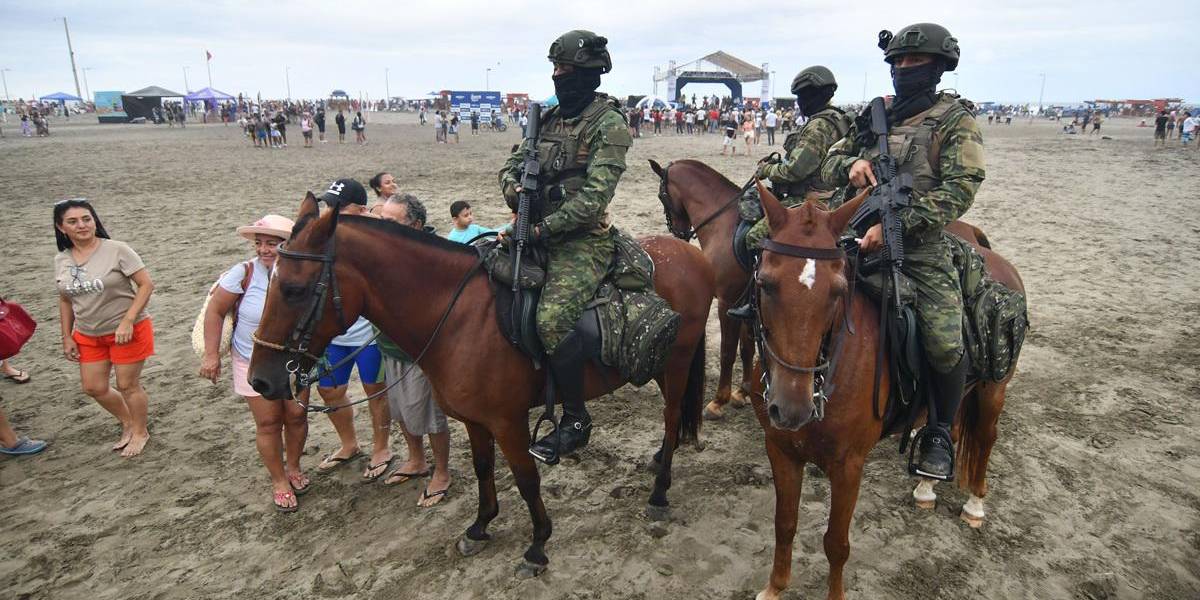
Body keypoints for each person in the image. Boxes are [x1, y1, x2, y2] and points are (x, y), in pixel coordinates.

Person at [820, 23, 984, 481]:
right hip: (853, 233)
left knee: (944, 337)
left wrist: (897, 227)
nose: (904, 70)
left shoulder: (956, 121)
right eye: (898, 63)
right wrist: (850, 164)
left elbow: (960, 190)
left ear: (938, 67)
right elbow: (829, 162)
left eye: (915, 63)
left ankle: (936, 431)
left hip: (920, 245)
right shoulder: (874, 117)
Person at [498, 29, 631, 464]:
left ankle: (575, 418)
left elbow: (595, 199)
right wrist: (517, 191)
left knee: (553, 318)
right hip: (530, 226)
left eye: (566, 70)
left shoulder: (608, 124)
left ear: (589, 75)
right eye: (555, 69)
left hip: (581, 241)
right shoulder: (546, 119)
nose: (558, 76)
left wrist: (541, 230)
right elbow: (511, 165)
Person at [200, 214, 310, 512]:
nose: (263, 249)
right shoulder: (243, 272)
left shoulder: (303, 273)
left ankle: (294, 467)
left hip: (293, 360)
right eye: (260, 243)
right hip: (252, 360)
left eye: (272, 243)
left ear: (288, 245)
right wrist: (211, 355)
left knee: (297, 417)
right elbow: (215, 312)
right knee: (268, 422)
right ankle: (278, 480)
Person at [728, 66, 853, 320]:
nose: (800, 102)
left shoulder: (819, 125)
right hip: (831, 196)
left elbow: (796, 169)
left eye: (803, 96)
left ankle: (754, 302)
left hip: (808, 200)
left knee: (752, 237)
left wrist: (767, 169)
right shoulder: (839, 119)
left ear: (818, 95)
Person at [54, 198, 155, 458]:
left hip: (127, 330)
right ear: (61, 227)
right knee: (93, 387)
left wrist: (128, 320)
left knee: (127, 385)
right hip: (87, 333)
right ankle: (128, 421)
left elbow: (146, 285)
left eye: (87, 219)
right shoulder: (62, 259)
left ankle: (141, 431)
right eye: (73, 221)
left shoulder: (116, 249)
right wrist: (67, 335)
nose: (82, 225)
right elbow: (65, 298)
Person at [311, 179, 393, 481]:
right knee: (329, 390)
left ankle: (381, 447)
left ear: (359, 210)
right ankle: (349, 444)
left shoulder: (376, 238)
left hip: (369, 332)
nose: (328, 212)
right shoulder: (322, 238)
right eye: (328, 205)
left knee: (376, 391)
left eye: (336, 207)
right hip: (333, 333)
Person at [374, 195, 453, 506]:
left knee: (432, 416)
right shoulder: (382, 252)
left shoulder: (435, 255)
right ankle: (416, 460)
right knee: (401, 411)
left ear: (416, 225)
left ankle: (442, 472)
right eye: (382, 220)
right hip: (388, 345)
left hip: (423, 353)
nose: (383, 228)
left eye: (391, 222)